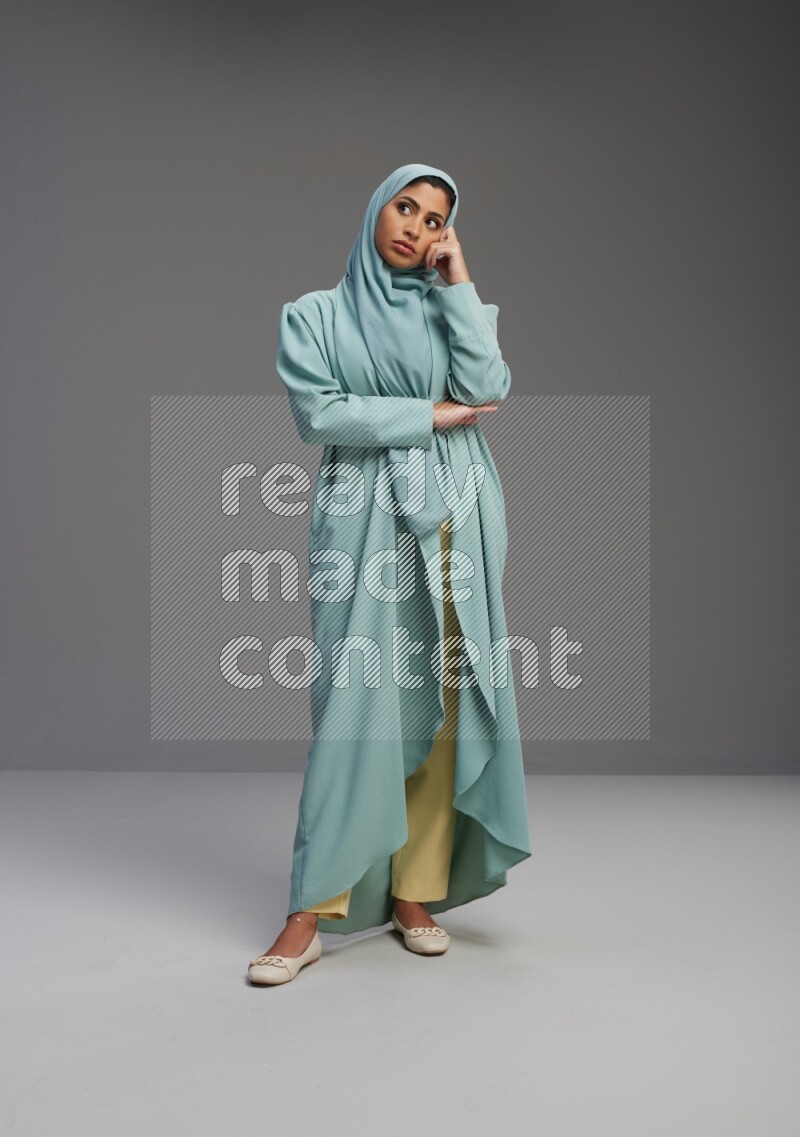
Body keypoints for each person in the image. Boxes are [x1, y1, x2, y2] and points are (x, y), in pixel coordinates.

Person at [248, 163, 531, 986]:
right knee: (356, 697)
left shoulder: (453, 308)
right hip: (363, 509)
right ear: (378, 208)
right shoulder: (316, 315)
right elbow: (321, 413)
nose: (416, 226)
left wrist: (461, 281)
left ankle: (417, 890)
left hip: (458, 510)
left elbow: (490, 386)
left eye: (436, 218)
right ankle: (311, 908)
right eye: (405, 206)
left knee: (446, 692)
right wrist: (427, 416)